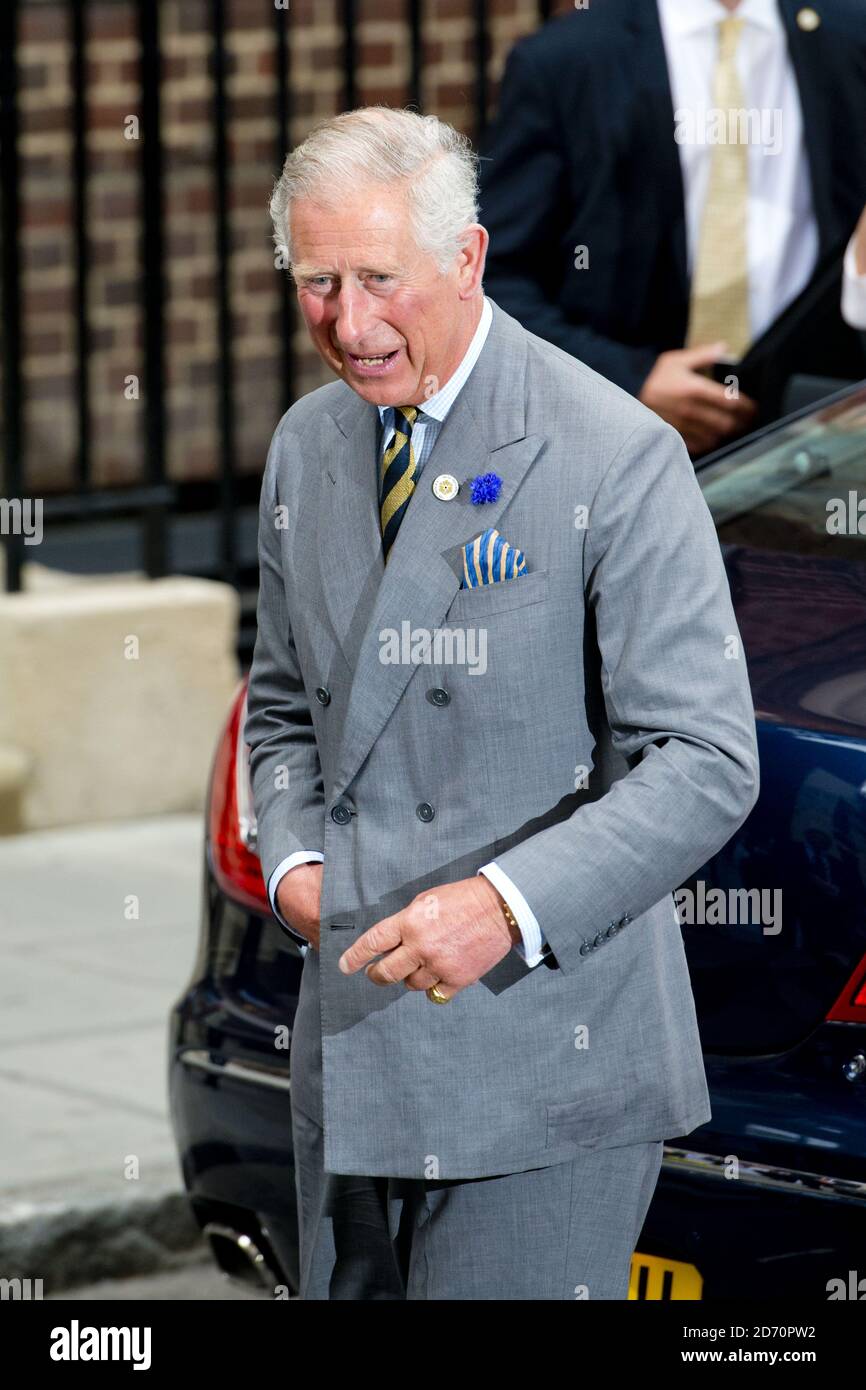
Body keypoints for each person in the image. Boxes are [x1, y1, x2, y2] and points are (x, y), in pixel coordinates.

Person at [244, 105, 760, 1301]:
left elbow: (699, 757)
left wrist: (497, 903)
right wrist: (292, 862)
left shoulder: (613, 452)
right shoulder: (305, 445)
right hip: (353, 1054)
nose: (349, 324)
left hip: (540, 1073)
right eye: (317, 282)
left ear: (466, 258)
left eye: (380, 278)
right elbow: (279, 709)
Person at [479, 0, 866, 456]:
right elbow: (491, 275)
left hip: (817, 432)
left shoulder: (848, 33)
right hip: (624, 446)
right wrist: (623, 378)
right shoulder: (566, 61)